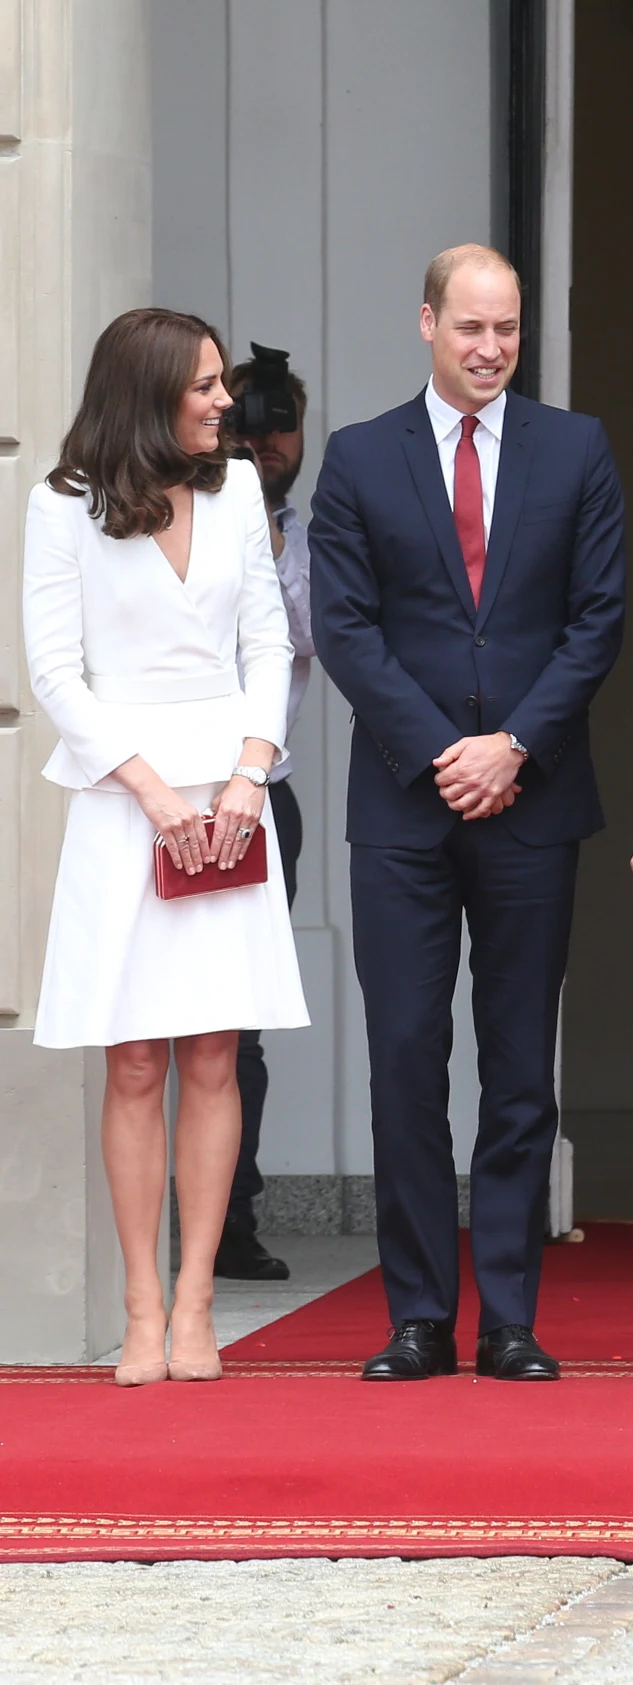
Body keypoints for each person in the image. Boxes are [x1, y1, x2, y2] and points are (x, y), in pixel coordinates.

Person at [310, 244, 626, 1383]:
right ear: (427, 323)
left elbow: (597, 620)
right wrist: (446, 751)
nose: (490, 349)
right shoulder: (356, 457)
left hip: (532, 804)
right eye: (470, 328)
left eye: (507, 329)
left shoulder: (575, 448)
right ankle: (415, 1317)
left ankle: (508, 1320)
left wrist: (515, 747)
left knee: (515, 1067)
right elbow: (345, 628)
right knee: (404, 1056)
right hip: (404, 805)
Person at [23, 308, 309, 1388]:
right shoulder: (60, 506)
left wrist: (245, 776)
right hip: (121, 798)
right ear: (146, 392)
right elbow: (54, 672)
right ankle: (141, 1306)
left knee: (213, 1055)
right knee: (134, 1058)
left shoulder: (237, 489)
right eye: (200, 386)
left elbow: (269, 640)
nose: (222, 400)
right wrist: (148, 789)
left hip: (231, 797)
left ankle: (198, 1307)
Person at [216, 351, 314, 1282]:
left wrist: (269, 535)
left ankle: (229, 1223)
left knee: (235, 1030)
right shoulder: (179, 523)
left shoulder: (301, 537)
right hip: (160, 794)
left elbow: (302, 641)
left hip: (263, 799)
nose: (264, 440)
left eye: (281, 423)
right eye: (248, 420)